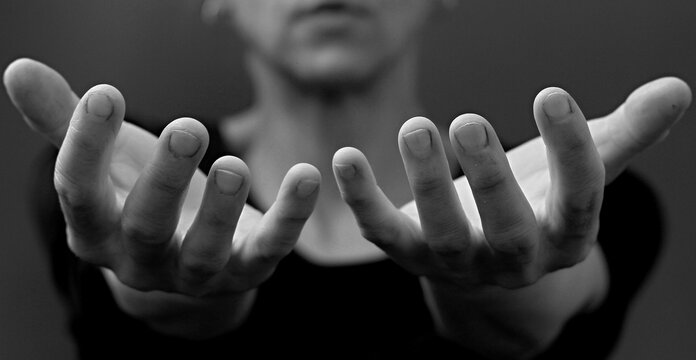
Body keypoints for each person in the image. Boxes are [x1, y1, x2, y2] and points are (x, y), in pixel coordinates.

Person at [2, 0, 692, 359]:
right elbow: (151, 322)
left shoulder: (569, 195)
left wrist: (507, 292)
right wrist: (171, 295)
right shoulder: (120, 185)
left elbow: (532, 323)